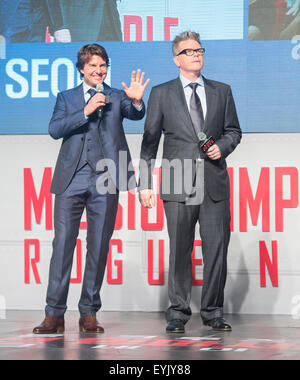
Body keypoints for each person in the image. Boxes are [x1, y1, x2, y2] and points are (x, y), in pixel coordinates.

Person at [33, 43, 149, 334]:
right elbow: (55, 129)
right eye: (93, 66)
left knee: (98, 246)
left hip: (106, 178)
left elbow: (135, 114)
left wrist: (136, 102)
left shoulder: (116, 96)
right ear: (82, 69)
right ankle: (54, 314)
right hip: (71, 178)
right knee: (62, 244)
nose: (99, 71)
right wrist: (84, 111)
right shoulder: (67, 97)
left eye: (103, 66)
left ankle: (88, 312)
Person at [139, 31, 242, 333]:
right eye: (189, 51)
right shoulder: (161, 93)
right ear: (176, 59)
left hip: (214, 183)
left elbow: (234, 131)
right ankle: (178, 312)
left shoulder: (221, 91)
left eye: (199, 49)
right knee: (179, 250)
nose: (196, 54)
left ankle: (212, 311)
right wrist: (145, 184)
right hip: (176, 181)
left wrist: (221, 147)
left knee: (216, 249)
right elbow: (149, 143)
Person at [1, 0, 71, 43]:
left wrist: (58, 26)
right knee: (5, 59)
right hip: (8, 16)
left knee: (35, 59)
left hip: (38, 17)